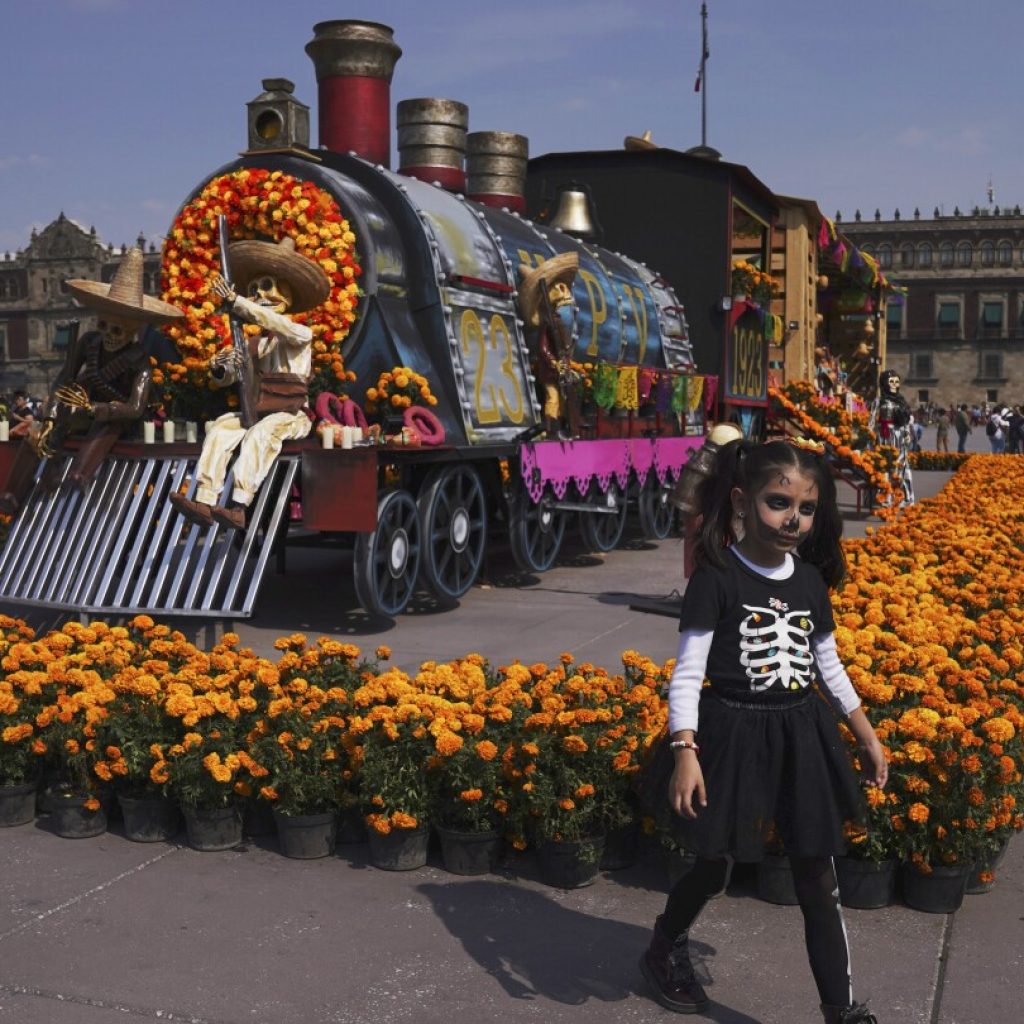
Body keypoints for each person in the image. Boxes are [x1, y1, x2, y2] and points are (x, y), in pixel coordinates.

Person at [639, 437, 887, 1024]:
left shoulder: (807, 581)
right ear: (742, 501)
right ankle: (663, 943)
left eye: (806, 509)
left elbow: (828, 664)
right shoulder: (716, 577)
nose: (793, 520)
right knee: (712, 863)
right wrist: (685, 751)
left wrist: (865, 732)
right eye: (779, 503)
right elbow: (688, 672)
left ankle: (841, 1010)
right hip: (731, 735)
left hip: (802, 737)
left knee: (816, 875)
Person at [0, 249, 183, 515]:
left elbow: (134, 407)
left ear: (131, 332)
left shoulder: (139, 359)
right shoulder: (88, 342)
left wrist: (97, 409)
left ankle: (79, 477)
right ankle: (12, 494)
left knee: (104, 430)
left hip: (114, 420)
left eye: (117, 330)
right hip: (82, 411)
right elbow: (66, 378)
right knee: (37, 433)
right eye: (103, 325)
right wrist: (53, 408)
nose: (108, 334)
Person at [169, 235, 330, 531]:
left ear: (287, 295)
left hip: (291, 417)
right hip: (259, 411)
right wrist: (221, 366)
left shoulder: (299, 333)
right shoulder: (255, 344)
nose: (259, 294)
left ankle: (239, 506)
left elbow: (274, 322)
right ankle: (204, 501)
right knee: (220, 428)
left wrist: (237, 302)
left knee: (261, 433)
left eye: (266, 286)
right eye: (254, 289)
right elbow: (229, 377)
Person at [517, 252, 580, 439]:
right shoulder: (548, 324)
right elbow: (544, 348)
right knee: (552, 396)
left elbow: (563, 345)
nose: (563, 290)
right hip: (551, 370)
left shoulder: (557, 320)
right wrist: (554, 363)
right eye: (557, 287)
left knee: (562, 398)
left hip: (560, 367)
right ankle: (550, 428)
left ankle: (561, 426)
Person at [868, 369, 914, 505]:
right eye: (891, 381)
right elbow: (871, 420)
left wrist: (907, 433)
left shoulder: (901, 401)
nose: (894, 384)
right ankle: (883, 498)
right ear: (884, 383)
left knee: (900, 466)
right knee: (884, 466)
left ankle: (901, 498)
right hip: (883, 436)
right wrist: (870, 435)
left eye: (896, 382)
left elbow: (905, 420)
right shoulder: (879, 400)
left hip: (899, 437)